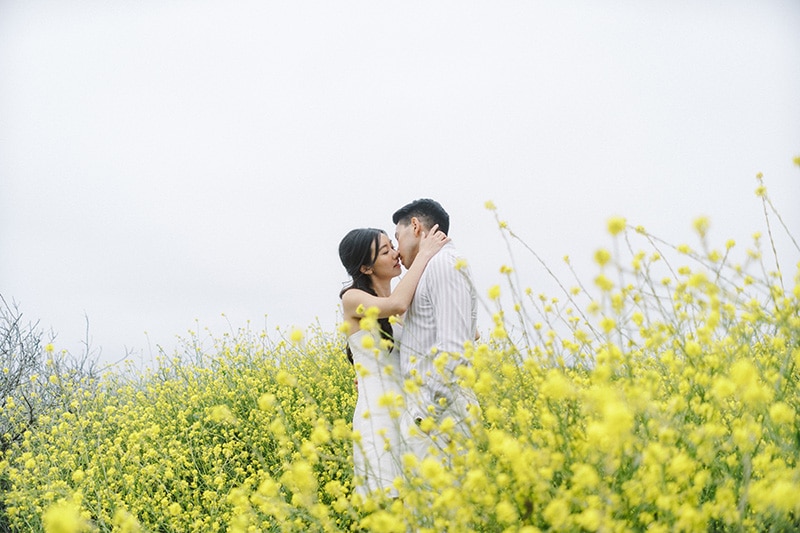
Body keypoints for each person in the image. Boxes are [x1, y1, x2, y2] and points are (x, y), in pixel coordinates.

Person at [338, 224, 449, 498]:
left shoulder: (403, 296)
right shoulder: (352, 299)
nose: (396, 254)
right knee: (392, 508)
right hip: (379, 417)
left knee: (420, 505)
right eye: (386, 251)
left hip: (412, 414)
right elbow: (398, 305)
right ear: (366, 268)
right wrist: (423, 255)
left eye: (393, 245)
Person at [392, 198, 479, 464]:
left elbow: (454, 352)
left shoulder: (443, 264)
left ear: (415, 226)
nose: (396, 250)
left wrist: (424, 413)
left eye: (397, 237)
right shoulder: (431, 268)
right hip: (432, 416)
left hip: (438, 420)